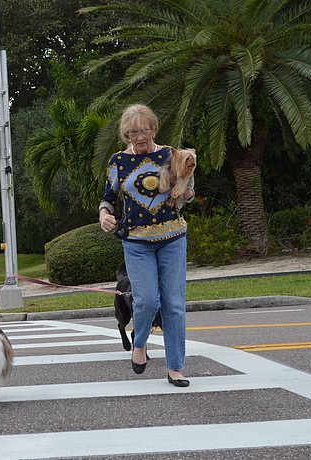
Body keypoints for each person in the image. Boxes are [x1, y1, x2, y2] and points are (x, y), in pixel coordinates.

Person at [98, 103, 195, 388]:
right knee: (147, 300)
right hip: (137, 242)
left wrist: (186, 192)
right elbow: (108, 197)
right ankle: (139, 343)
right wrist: (105, 215)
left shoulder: (170, 154)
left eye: (144, 131)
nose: (140, 138)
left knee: (174, 304)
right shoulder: (117, 162)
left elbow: (188, 188)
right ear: (126, 135)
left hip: (173, 238)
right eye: (133, 133)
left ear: (154, 128)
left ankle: (175, 367)